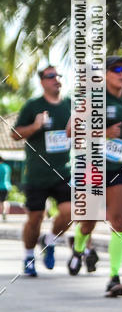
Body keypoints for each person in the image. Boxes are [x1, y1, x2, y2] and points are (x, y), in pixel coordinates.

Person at [67, 56, 122, 297]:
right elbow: (71, 131)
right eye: (116, 69)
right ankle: (78, 248)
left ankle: (114, 277)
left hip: (119, 165)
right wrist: (103, 132)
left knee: (118, 220)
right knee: (89, 222)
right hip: (93, 165)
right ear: (105, 74)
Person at [11, 66, 72, 277]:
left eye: (59, 75)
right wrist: (35, 126)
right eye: (51, 76)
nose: (56, 79)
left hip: (64, 171)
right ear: (42, 81)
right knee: (35, 217)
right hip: (37, 174)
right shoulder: (33, 106)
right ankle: (29, 257)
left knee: (72, 211)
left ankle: (50, 240)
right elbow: (15, 134)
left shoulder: (70, 105)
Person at [0, 155, 12, 220]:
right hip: (7, 186)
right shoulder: (7, 167)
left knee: (1, 201)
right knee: (5, 200)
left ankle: (2, 212)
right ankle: (5, 212)